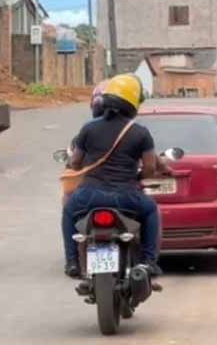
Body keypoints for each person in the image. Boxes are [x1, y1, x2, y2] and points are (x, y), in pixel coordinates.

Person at [61, 74, 172, 279]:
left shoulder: (88, 128)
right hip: (125, 196)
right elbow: (149, 168)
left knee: (68, 211)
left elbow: (75, 163)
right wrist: (140, 175)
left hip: (89, 195)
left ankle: (72, 262)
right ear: (133, 103)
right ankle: (148, 262)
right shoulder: (140, 133)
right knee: (151, 210)